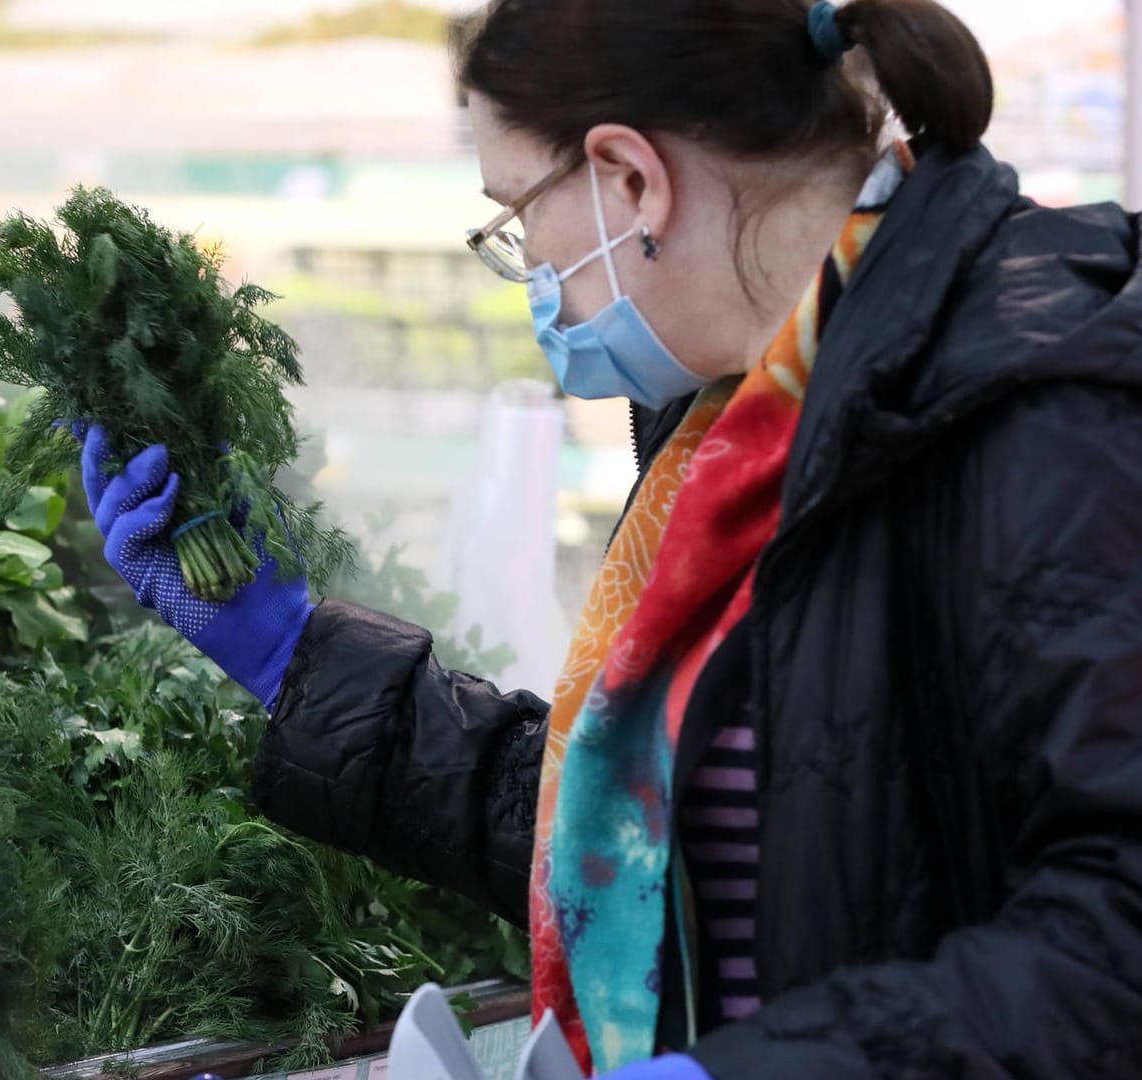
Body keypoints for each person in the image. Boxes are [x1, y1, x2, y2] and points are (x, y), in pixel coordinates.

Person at [75, 0, 1142, 1075]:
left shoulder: (1052, 413)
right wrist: (288, 650)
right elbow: (647, 841)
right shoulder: (744, 418)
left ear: (631, 180)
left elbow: (1112, 948)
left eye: (516, 214)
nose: (531, 268)